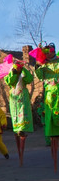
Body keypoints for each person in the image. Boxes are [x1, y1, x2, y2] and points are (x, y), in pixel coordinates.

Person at [34, 42, 59, 172]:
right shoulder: (44, 65)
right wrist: (38, 63)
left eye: (52, 50)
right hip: (50, 96)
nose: (50, 52)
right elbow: (38, 75)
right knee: (51, 124)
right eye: (47, 51)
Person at [4, 59, 34, 164]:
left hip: (22, 96)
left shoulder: (23, 72)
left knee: (23, 114)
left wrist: (23, 69)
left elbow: (29, 79)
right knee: (15, 115)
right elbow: (9, 81)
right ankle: (17, 129)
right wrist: (13, 72)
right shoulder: (9, 71)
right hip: (14, 97)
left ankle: (22, 129)